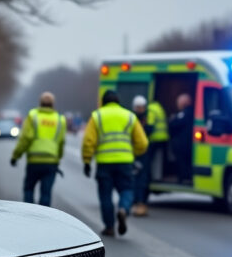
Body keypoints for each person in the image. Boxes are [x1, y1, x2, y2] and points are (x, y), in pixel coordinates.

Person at [82, 90, 148, 236]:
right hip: (125, 162)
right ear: (118, 101)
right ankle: (123, 209)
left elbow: (88, 142)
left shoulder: (97, 116)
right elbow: (143, 142)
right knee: (127, 190)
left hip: (104, 163)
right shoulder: (129, 116)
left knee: (105, 195)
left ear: (103, 102)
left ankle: (109, 227)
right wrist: (134, 153)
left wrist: (87, 161)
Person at [11, 92, 67, 206]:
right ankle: (43, 215)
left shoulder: (33, 116)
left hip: (34, 161)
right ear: (53, 104)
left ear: (40, 103)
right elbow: (61, 142)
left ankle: (29, 213)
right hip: (51, 162)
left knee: (29, 189)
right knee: (46, 193)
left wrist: (16, 156)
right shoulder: (60, 119)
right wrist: (58, 158)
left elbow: (25, 139)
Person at [131, 96, 153, 217]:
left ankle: (142, 202)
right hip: (134, 153)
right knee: (136, 179)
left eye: (142, 107)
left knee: (144, 179)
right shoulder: (132, 119)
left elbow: (149, 131)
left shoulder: (147, 118)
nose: (140, 109)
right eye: (138, 107)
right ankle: (137, 202)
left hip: (144, 153)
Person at [168, 93, 194, 183]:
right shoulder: (191, 112)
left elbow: (174, 124)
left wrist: (172, 119)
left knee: (182, 162)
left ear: (184, 103)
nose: (177, 105)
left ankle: (183, 179)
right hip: (187, 143)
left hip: (183, 144)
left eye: (178, 103)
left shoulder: (185, 112)